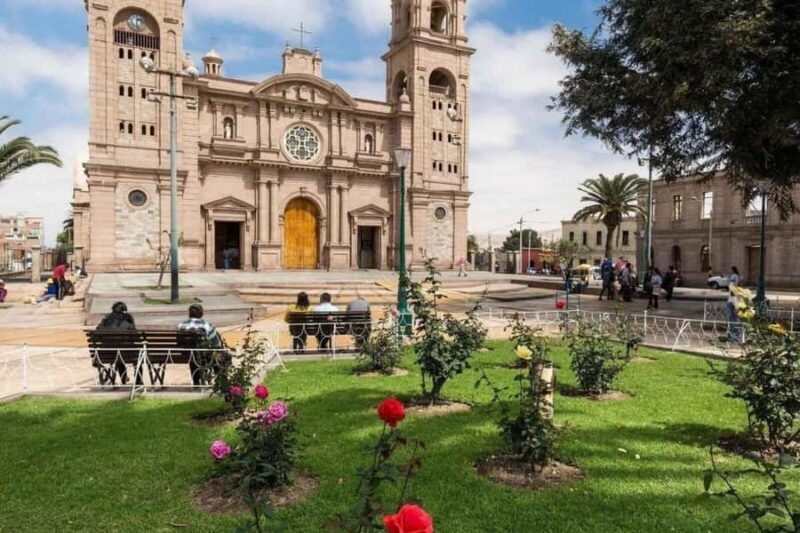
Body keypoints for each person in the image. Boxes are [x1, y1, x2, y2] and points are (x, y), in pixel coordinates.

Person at [178, 304, 225, 385]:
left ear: (189, 313)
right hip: (204, 355)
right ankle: (221, 381)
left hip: (186, 354)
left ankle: (196, 381)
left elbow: (179, 342)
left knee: (194, 355)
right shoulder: (206, 326)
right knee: (221, 356)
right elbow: (217, 344)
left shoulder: (181, 325)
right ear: (201, 313)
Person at [97, 302, 138, 384]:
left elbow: (98, 334)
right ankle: (138, 380)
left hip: (105, 354)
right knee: (136, 355)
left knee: (118, 353)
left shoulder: (106, 320)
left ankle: (123, 378)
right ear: (124, 311)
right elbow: (135, 338)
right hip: (126, 354)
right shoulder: (128, 321)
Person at [726, 266, 742, 342]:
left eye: (733, 282)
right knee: (732, 319)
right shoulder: (733, 289)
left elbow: (736, 298)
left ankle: (735, 335)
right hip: (730, 302)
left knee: (734, 320)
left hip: (733, 303)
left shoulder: (735, 290)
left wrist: (737, 307)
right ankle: (731, 335)